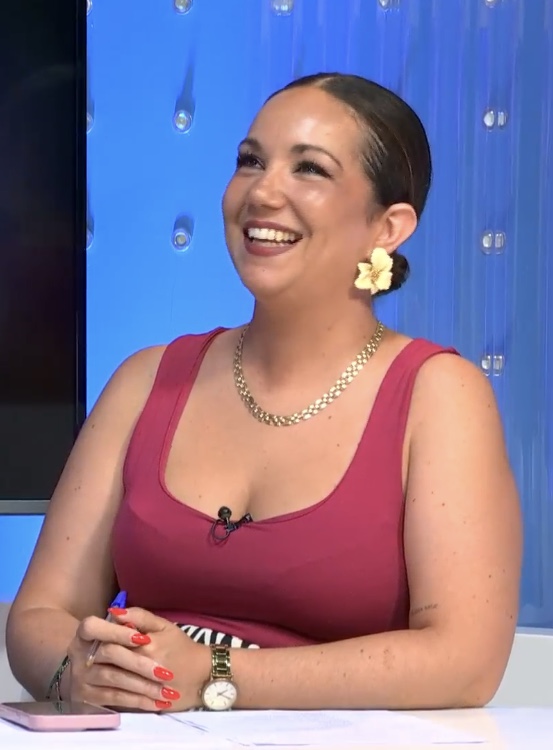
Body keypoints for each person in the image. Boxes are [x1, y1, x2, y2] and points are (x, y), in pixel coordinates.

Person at [6, 73, 522, 713]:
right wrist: (77, 672)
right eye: (250, 161)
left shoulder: (439, 395)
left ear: (388, 227)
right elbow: (38, 616)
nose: (262, 192)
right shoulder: (146, 380)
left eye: (310, 169)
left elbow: (465, 662)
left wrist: (216, 675)